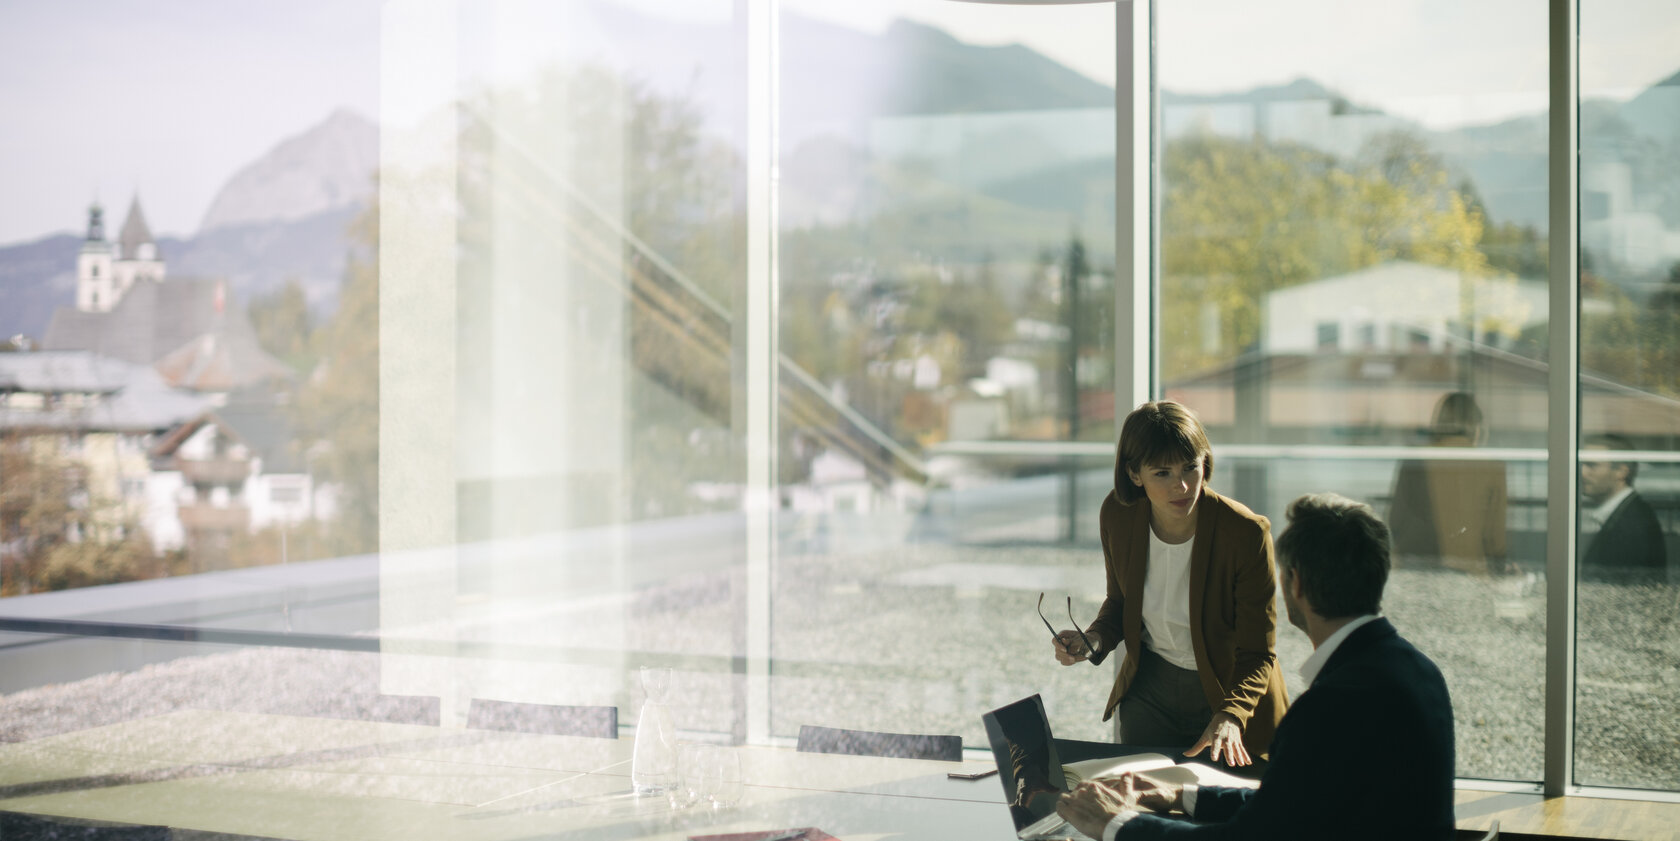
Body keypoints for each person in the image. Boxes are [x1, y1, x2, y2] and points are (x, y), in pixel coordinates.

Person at [1055, 493, 1456, 841]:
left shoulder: (1329, 706)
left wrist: (1114, 824)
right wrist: (1179, 795)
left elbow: (1247, 840)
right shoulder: (1418, 672)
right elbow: (1289, 803)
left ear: (1293, 584)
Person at [1052, 400, 1287, 770]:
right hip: (1151, 689)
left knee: (1223, 818)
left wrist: (1231, 714)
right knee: (1142, 811)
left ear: (1205, 462)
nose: (1182, 486)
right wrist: (1092, 640)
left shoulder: (1245, 533)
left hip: (1228, 691)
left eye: (1191, 467)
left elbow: (1258, 652)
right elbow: (1120, 602)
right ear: (1134, 474)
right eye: (1162, 473)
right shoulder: (1118, 514)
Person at [1387, 391, 1509, 577]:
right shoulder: (1492, 467)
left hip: (1419, 572)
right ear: (1476, 425)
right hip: (1471, 571)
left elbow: (1396, 521)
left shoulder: (1415, 460)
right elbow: (1495, 541)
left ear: (1439, 422)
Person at [1579, 434, 1668, 584]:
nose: (1582, 472)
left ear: (1621, 471)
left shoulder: (1633, 522)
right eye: (1582, 464)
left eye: (1592, 465)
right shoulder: (1629, 512)